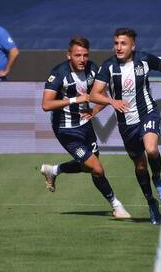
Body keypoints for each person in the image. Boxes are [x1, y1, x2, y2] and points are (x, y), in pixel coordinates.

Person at [90, 27, 161, 224]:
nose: (118, 47)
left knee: (151, 149)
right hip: (126, 124)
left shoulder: (143, 59)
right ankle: (151, 203)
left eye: (123, 43)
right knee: (141, 166)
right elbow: (94, 94)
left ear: (132, 46)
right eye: (116, 43)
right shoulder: (108, 67)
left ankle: (158, 178)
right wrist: (112, 102)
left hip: (147, 113)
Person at [40, 36, 130, 219]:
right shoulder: (58, 74)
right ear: (68, 56)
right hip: (66, 130)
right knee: (96, 168)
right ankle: (117, 206)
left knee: (89, 166)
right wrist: (76, 99)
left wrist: (96, 110)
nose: (82, 59)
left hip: (86, 125)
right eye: (77, 55)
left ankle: (54, 170)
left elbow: (101, 94)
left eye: (85, 55)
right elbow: (46, 105)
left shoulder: (92, 70)